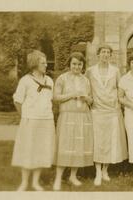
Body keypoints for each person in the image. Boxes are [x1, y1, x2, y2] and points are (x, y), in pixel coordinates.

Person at [11, 50, 55, 191]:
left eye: (46, 62)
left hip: (46, 120)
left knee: (41, 151)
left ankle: (36, 182)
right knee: (28, 151)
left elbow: (50, 100)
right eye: (43, 63)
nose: (46, 65)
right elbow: (17, 101)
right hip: (30, 121)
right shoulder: (25, 80)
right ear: (35, 64)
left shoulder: (49, 81)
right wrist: (25, 117)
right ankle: (24, 182)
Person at [85, 44, 128, 186]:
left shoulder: (115, 71)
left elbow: (120, 89)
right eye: (102, 52)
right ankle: (97, 171)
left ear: (111, 55)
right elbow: (86, 88)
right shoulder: (90, 71)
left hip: (112, 112)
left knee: (110, 141)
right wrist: (89, 100)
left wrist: (118, 105)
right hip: (97, 111)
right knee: (98, 141)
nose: (105, 55)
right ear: (98, 55)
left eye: (107, 53)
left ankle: (105, 170)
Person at [52, 52, 94, 191]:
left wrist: (86, 99)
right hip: (68, 116)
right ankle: (58, 177)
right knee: (65, 144)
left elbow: (91, 99)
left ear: (83, 66)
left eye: (79, 64)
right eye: (74, 64)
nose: (77, 66)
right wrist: (72, 94)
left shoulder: (86, 80)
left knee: (78, 145)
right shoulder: (62, 78)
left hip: (82, 116)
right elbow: (56, 97)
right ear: (69, 64)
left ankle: (73, 176)